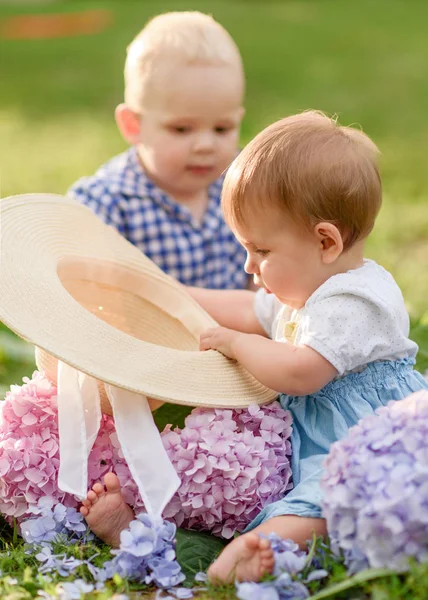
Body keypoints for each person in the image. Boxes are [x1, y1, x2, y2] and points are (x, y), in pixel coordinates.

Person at [80, 110, 428, 582]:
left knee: (324, 506)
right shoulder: (306, 288)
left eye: (261, 251)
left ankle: (246, 553)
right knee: (231, 492)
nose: (249, 265)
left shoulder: (357, 300)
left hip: (357, 447)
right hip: (304, 447)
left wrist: (239, 345)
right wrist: (164, 292)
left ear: (325, 240)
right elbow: (248, 308)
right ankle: (145, 532)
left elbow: (302, 372)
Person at [68, 11, 248, 289]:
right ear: (133, 125)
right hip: (142, 331)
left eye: (222, 128)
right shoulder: (109, 203)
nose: (206, 145)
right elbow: (85, 289)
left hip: (238, 330)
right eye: (182, 129)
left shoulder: (246, 185)